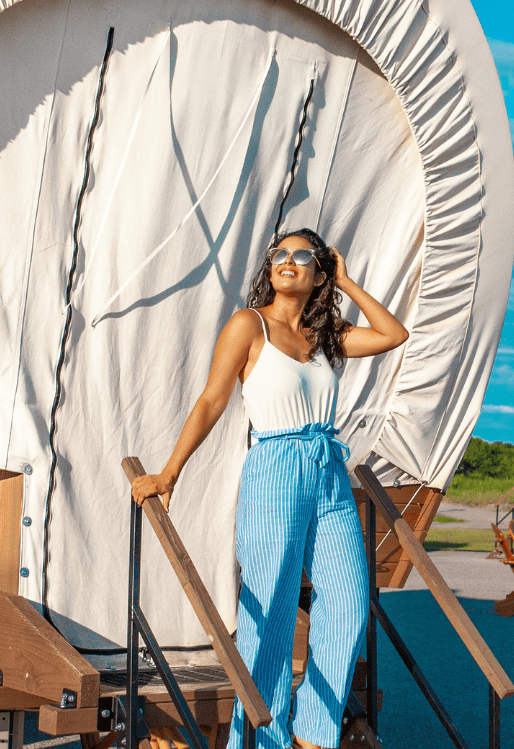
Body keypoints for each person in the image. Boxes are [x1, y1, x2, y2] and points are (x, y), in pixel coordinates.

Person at [131, 228, 408, 749]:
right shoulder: (248, 325)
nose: (288, 260)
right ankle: (262, 740)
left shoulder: (326, 335)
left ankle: (315, 735)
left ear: (318, 273)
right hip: (276, 467)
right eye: (280, 253)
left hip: (328, 466)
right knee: (272, 612)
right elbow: (212, 400)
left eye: (303, 256)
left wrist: (346, 283)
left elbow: (393, 335)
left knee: (348, 603)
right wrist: (171, 471)